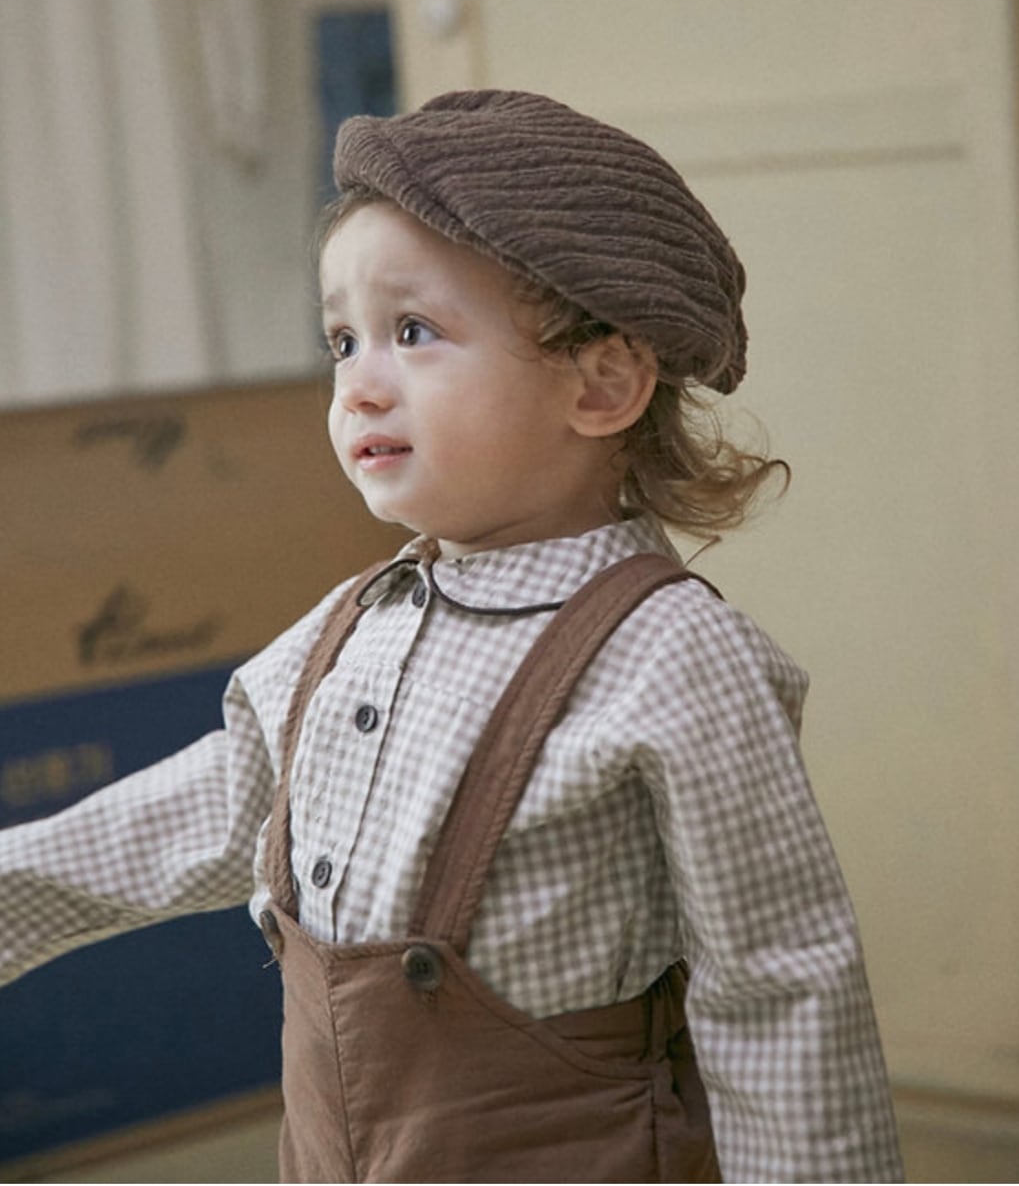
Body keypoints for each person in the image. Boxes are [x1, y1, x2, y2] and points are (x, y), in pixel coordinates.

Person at [0, 89, 904, 1182]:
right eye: (342, 340)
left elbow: (780, 987)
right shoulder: (351, 624)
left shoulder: (671, 655)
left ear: (602, 383)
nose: (357, 386)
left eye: (413, 332)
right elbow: (207, 810)